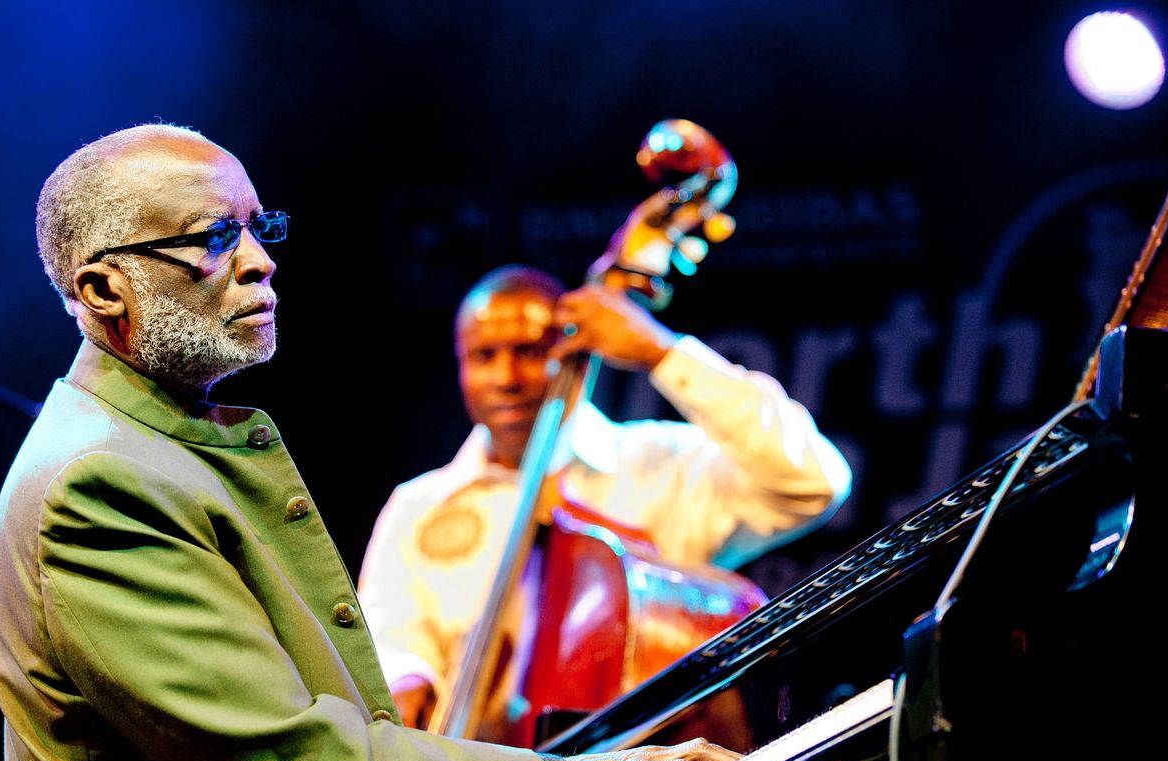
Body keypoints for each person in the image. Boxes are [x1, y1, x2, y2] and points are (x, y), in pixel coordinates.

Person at [0, 123, 742, 761]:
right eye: (215, 237)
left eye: (256, 227)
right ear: (106, 288)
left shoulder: (158, 444)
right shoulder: (100, 482)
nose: (259, 262)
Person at [357, 263, 853, 736]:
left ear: (573, 349)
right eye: (484, 356)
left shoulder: (660, 462)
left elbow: (814, 482)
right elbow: (388, 634)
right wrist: (405, 675)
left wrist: (662, 352)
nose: (506, 377)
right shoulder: (418, 505)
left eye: (530, 351)